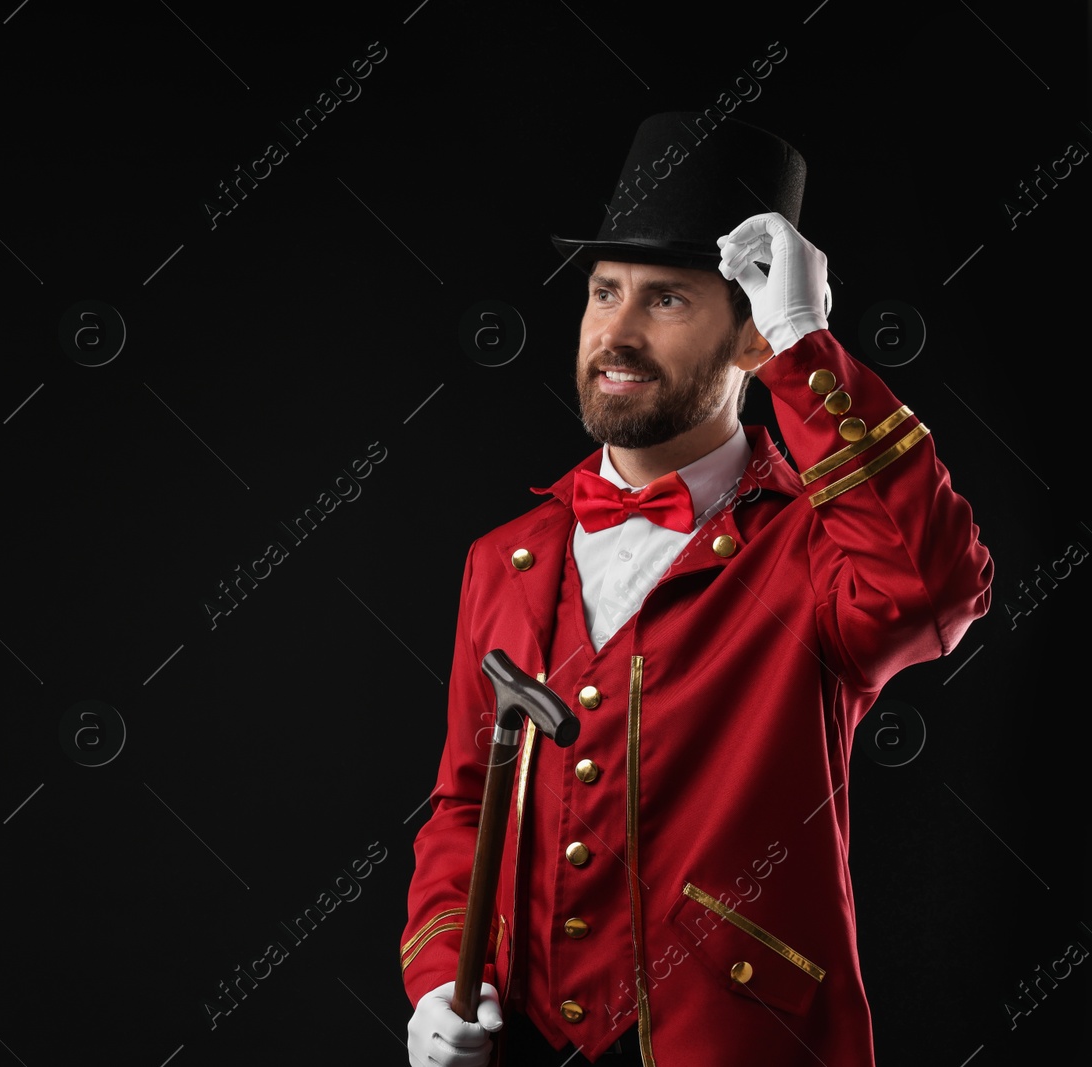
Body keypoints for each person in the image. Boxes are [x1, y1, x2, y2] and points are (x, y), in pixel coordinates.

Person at [399, 113, 992, 1066]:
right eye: (603, 293)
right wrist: (438, 977)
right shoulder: (502, 557)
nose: (617, 333)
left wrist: (808, 344)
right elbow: (468, 804)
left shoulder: (817, 546)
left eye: (666, 301)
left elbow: (930, 589)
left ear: (749, 340)